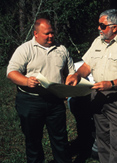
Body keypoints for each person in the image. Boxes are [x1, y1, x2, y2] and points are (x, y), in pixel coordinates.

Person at [66, 9, 117, 163]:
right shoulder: (98, 42)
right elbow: (87, 65)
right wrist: (77, 75)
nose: (98, 28)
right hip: (99, 97)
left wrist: (111, 84)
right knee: (102, 140)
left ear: (114, 27)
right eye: (99, 25)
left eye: (102, 25)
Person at [7, 17, 75, 163]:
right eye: (46, 34)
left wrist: (70, 81)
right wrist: (26, 81)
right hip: (30, 101)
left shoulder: (61, 49)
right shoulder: (25, 49)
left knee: (60, 140)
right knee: (33, 141)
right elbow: (11, 72)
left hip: (55, 101)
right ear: (36, 33)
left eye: (52, 32)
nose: (51, 36)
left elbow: (70, 71)